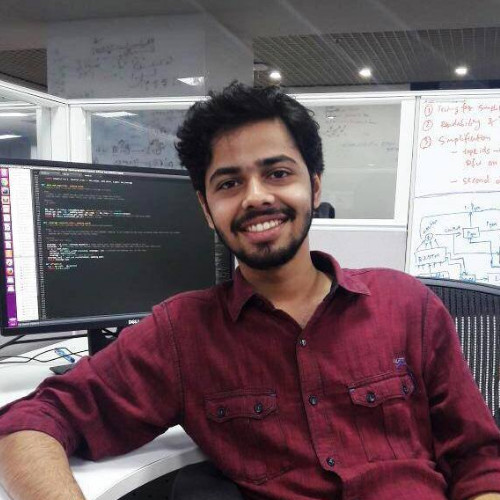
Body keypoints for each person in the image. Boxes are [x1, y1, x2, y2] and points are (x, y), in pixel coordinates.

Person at [0, 83, 500, 500]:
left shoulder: (405, 305)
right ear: (206, 208)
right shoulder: (183, 335)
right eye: (229, 184)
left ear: (315, 187)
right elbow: (29, 420)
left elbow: (479, 459)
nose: (256, 197)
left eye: (277, 173)